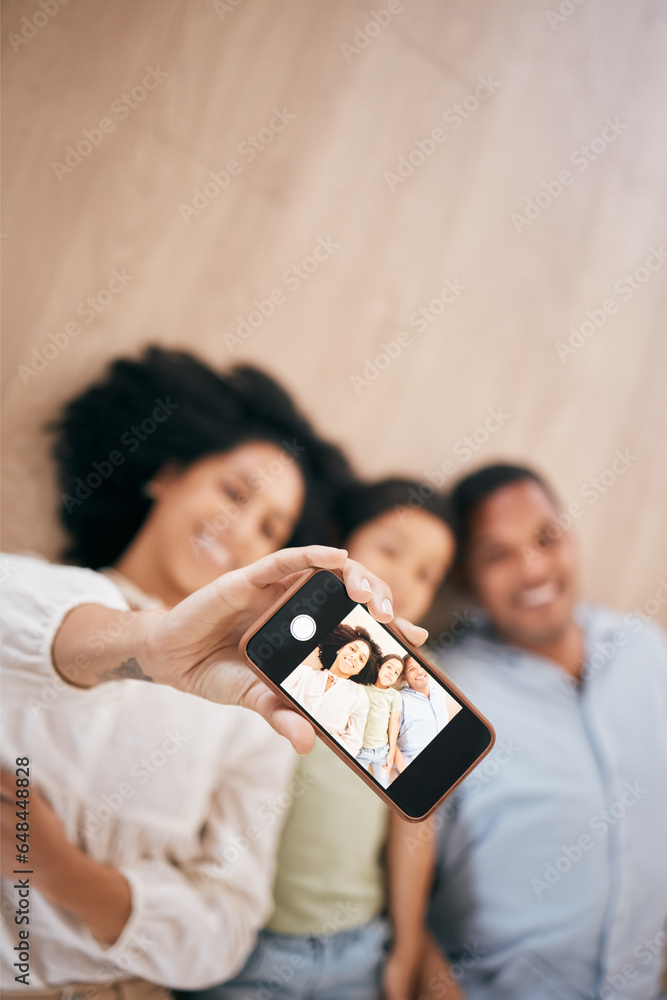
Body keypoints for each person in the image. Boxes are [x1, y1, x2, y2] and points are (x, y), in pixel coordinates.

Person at [0, 348, 424, 997]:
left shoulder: (256, 714)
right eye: (233, 491)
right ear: (167, 472)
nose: (237, 529)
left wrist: (58, 871)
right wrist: (150, 641)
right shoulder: (29, 587)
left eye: (269, 528)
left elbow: (223, 933)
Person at [191, 479, 459, 1000]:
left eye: (427, 574)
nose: (404, 577)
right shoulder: (274, 645)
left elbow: (414, 828)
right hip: (247, 945)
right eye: (390, 551)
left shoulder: (422, 683)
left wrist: (406, 948)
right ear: (341, 543)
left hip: (357, 944)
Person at [423, 463, 667, 1000]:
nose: (532, 568)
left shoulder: (646, 651)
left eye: (546, 538)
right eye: (497, 554)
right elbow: (399, 899)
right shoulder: (443, 693)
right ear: (466, 578)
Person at [282, 624, 381, 756]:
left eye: (361, 659)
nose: (354, 657)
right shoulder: (304, 674)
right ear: (340, 649)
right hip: (282, 738)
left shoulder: (359, 695)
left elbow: (353, 744)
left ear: (359, 670)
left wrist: (324, 740)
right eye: (352, 649)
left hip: (318, 756)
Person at [394, 655, 450, 772]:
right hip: (418, 770)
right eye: (412, 669)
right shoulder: (399, 699)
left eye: (421, 665)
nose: (419, 671)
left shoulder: (439, 692)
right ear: (404, 676)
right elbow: (388, 741)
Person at [356, 654, 404, 787]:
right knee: (356, 784)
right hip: (361, 750)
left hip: (382, 751)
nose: (391, 673)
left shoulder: (395, 696)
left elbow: (394, 724)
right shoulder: (362, 688)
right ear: (379, 667)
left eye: (396, 673)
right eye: (389, 667)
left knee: (384, 785)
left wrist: (391, 753)